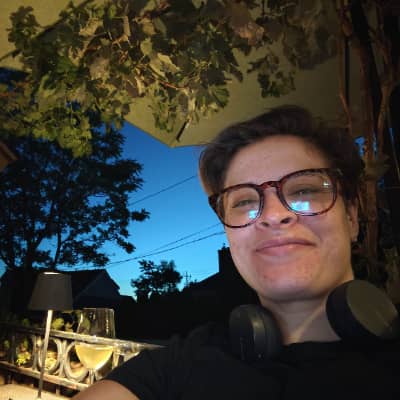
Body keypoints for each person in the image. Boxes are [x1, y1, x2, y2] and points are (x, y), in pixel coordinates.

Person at [72, 105, 400, 400]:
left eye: (303, 190)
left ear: (352, 217)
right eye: (245, 202)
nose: (273, 214)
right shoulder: (179, 367)